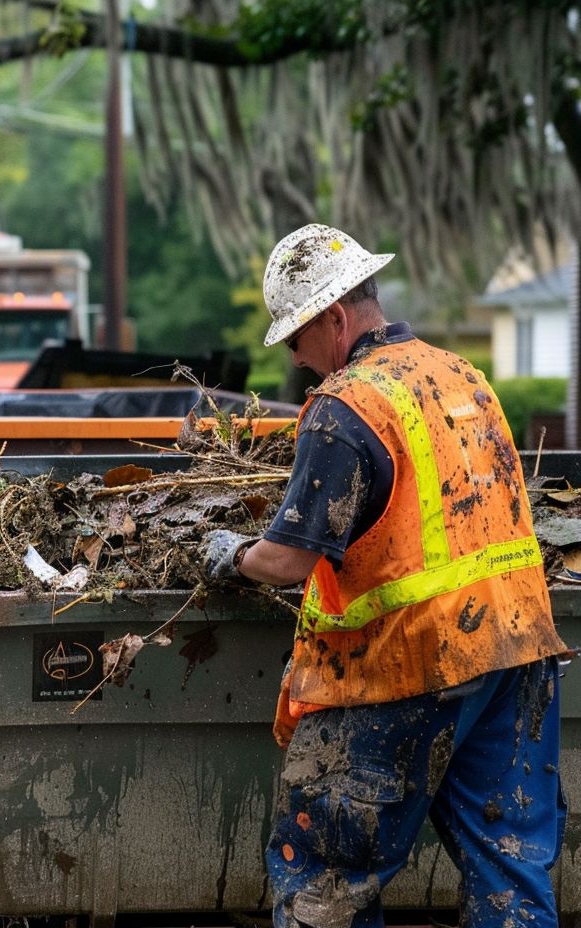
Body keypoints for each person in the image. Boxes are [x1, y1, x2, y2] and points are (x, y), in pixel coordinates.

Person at [202, 224, 569, 928]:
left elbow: (289, 559)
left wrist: (234, 554)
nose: (299, 361)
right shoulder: (461, 376)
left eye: (296, 340)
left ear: (334, 318)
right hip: (516, 650)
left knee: (323, 881)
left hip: (408, 664)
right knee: (511, 870)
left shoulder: (346, 408)